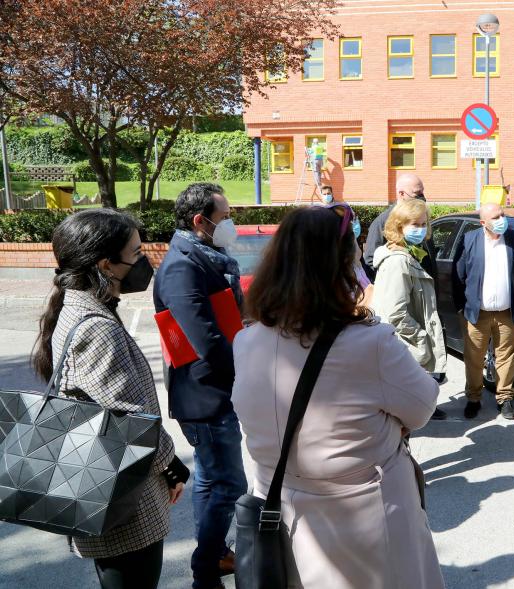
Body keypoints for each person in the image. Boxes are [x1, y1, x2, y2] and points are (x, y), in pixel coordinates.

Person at [231, 206, 444, 589]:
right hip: (363, 518)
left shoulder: (246, 341)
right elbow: (423, 405)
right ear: (343, 265)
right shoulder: (370, 342)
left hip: (280, 511)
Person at [33, 209, 189, 589]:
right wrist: (172, 468)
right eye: (136, 252)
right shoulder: (97, 328)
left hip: (109, 487)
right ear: (107, 263)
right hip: (122, 501)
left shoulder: (79, 306)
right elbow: (131, 420)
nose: (144, 261)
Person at [153, 183, 248, 589]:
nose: (230, 224)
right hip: (205, 394)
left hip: (211, 390)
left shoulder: (205, 255)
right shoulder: (181, 266)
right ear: (200, 221)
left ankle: (212, 554)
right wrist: (248, 368)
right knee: (230, 483)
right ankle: (206, 564)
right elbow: (204, 339)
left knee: (210, 477)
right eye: (225, 217)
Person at [452, 203, 514, 420]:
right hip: (477, 313)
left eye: (503, 215)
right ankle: (473, 398)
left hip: (508, 313)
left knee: (506, 357)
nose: (502, 220)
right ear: (483, 223)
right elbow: (458, 275)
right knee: (474, 358)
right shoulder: (471, 239)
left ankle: (504, 398)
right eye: (495, 217)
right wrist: (462, 306)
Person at [373, 199, 447, 384]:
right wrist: (422, 338)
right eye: (415, 224)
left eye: (423, 224)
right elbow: (395, 314)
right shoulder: (398, 261)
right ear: (399, 226)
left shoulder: (410, 253)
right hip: (405, 347)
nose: (420, 229)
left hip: (404, 346)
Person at [363, 172, 437, 279]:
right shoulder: (382, 222)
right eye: (417, 193)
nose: (422, 197)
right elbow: (371, 261)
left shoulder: (422, 216)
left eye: (422, 192)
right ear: (401, 194)